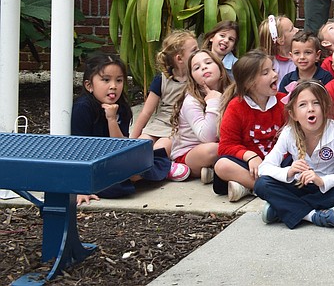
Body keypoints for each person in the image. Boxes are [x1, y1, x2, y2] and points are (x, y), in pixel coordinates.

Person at [251, 80, 334, 229]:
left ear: (325, 108)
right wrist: (290, 171)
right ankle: (314, 216)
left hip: (324, 190)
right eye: (303, 105)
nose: (310, 109)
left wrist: (322, 181)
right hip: (299, 186)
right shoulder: (288, 132)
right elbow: (264, 168)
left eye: (316, 103)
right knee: (262, 184)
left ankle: (282, 209)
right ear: (293, 114)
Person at [72, 53, 173, 203]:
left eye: (119, 80)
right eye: (106, 80)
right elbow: (76, 150)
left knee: (156, 159)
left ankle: (133, 177)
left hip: (113, 160)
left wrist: (112, 119)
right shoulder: (83, 108)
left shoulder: (122, 108)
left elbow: (120, 146)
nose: (113, 86)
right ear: (89, 85)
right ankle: (131, 179)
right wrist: (81, 188)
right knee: (118, 183)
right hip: (89, 165)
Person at [214, 50, 285, 202]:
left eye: (273, 69)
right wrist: (250, 156)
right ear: (249, 84)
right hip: (252, 167)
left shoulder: (284, 102)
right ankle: (266, 187)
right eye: (266, 73)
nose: (274, 74)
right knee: (222, 165)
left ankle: (249, 187)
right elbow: (226, 146)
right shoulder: (236, 107)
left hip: (280, 164)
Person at [131, 29, 198, 179]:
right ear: (180, 59)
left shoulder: (196, 79)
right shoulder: (162, 79)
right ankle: (149, 171)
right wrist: (132, 140)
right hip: (158, 123)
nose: (199, 53)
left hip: (176, 128)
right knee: (140, 148)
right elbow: (146, 112)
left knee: (158, 151)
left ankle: (144, 175)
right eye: (194, 50)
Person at [170, 50, 227, 182]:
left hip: (222, 144)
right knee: (213, 149)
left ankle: (212, 172)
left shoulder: (230, 91)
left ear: (220, 67)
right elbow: (207, 137)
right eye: (197, 67)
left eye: (208, 62)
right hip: (191, 153)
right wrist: (213, 102)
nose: (204, 67)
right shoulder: (191, 101)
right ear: (192, 77)